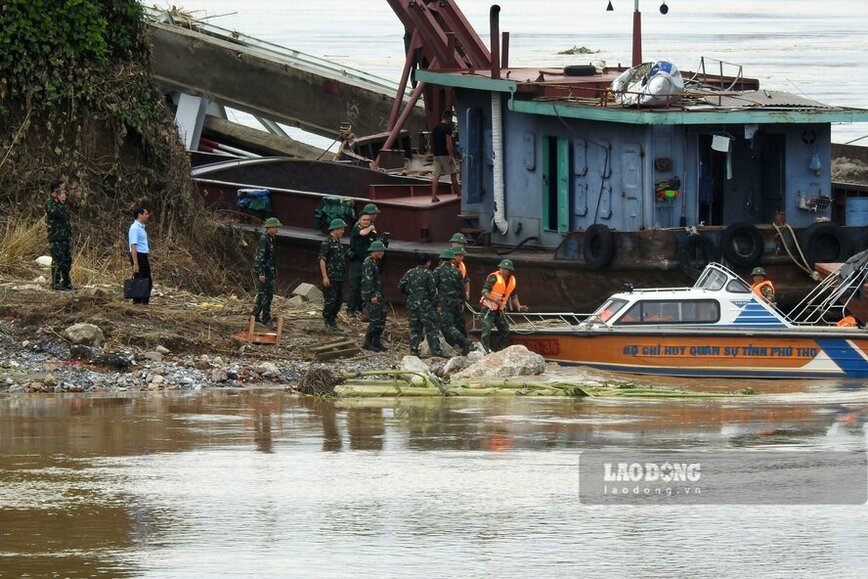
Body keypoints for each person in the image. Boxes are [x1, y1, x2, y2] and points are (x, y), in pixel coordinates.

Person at [398, 253, 446, 357]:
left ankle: (413, 351)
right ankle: (436, 351)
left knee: (415, 329)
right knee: (431, 328)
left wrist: (410, 291)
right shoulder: (428, 274)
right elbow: (433, 292)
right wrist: (437, 305)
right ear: (428, 262)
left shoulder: (410, 272)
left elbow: (401, 286)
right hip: (426, 306)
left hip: (412, 305)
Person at [479, 258, 528, 353]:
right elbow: (484, 292)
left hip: (499, 310)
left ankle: (499, 351)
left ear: (509, 271)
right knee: (486, 330)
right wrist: (495, 301)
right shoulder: (493, 277)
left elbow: (513, 295)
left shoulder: (512, 280)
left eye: (505, 269)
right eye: (502, 268)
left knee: (505, 330)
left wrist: (518, 306)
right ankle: (484, 352)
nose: (503, 270)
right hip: (488, 308)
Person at [432, 248, 472, 355]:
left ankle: (464, 341)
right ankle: (457, 344)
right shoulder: (457, 271)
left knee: (447, 325)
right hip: (456, 302)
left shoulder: (437, 271)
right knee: (457, 323)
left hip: (444, 302)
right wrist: (462, 302)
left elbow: (433, 289)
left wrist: (435, 303)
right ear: (451, 260)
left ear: (442, 259)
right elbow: (462, 289)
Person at [347, 203, 380, 316]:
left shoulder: (371, 229)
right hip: (356, 261)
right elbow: (362, 233)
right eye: (373, 214)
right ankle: (351, 309)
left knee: (364, 285)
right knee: (355, 286)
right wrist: (370, 227)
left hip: (366, 261)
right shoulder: (359, 227)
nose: (374, 217)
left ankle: (360, 308)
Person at [251, 217, 281, 329]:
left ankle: (254, 315)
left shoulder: (271, 238)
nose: (277, 229)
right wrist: (261, 273)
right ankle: (266, 318)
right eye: (276, 227)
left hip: (269, 271)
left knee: (262, 294)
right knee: (267, 295)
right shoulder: (265, 239)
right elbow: (261, 257)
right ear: (270, 228)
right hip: (265, 272)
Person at [45, 178, 74, 291]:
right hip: (56, 237)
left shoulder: (60, 202)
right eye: (62, 189)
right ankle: (55, 283)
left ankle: (66, 282)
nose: (64, 192)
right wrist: (61, 202)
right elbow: (56, 213)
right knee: (58, 260)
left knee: (67, 260)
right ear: (56, 190)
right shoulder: (50, 202)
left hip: (65, 237)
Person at [319, 218, 347, 333]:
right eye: (341, 229)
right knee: (330, 300)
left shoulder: (338, 243)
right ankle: (328, 322)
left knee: (338, 300)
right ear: (335, 229)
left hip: (339, 277)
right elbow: (322, 260)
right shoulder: (327, 242)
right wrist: (325, 276)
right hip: (331, 277)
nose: (343, 231)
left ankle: (333, 321)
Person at [361, 240, 388, 352]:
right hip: (372, 295)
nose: (383, 253)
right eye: (381, 251)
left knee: (381, 317)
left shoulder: (373, 262)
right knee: (375, 319)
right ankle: (368, 342)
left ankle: (376, 341)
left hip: (377, 293)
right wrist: (372, 295)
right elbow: (368, 280)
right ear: (375, 251)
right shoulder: (368, 262)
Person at [430, 109, 460, 203]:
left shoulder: (435, 128)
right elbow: (448, 142)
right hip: (445, 155)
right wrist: (451, 154)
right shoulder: (447, 128)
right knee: (453, 174)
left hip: (436, 154)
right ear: (449, 118)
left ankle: (434, 196)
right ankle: (459, 194)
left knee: (436, 175)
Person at [128, 207, 152, 305]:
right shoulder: (135, 228)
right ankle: (141, 302)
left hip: (143, 255)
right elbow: (133, 246)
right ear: (140, 215)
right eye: (145, 214)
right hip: (138, 256)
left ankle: (139, 302)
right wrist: (135, 263)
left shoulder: (141, 227)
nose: (147, 216)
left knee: (141, 279)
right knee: (145, 280)